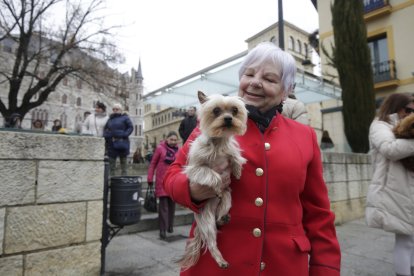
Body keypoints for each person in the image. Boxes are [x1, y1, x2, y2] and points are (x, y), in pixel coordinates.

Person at [163, 42, 341, 275]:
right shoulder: (210, 128)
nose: (255, 82)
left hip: (283, 265)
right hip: (215, 266)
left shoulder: (304, 136)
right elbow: (171, 177)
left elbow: (318, 213)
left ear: (286, 90)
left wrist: (325, 269)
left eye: (269, 78)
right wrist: (193, 190)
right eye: (249, 74)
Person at [365, 93, 414, 276]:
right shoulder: (380, 125)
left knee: (411, 239)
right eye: (408, 109)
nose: (410, 114)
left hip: (407, 190)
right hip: (393, 190)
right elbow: (389, 149)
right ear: (396, 106)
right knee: (405, 239)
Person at [147, 131, 180, 240]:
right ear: (167, 139)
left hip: (174, 182)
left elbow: (182, 165)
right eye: (171, 139)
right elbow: (153, 164)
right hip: (161, 182)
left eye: (175, 140)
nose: (173, 142)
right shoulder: (160, 148)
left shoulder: (179, 151)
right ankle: (162, 229)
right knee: (163, 207)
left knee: (172, 206)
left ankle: (170, 225)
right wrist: (150, 178)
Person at [103, 103, 133, 175]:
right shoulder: (109, 119)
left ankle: (124, 182)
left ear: (120, 110)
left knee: (124, 166)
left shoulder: (125, 118)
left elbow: (130, 127)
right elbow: (105, 129)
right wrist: (107, 136)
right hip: (112, 144)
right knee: (112, 166)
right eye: (114, 109)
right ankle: (112, 182)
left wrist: (124, 134)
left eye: (117, 109)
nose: (115, 110)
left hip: (122, 143)